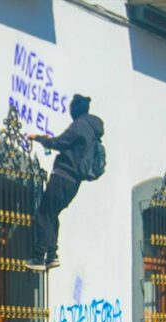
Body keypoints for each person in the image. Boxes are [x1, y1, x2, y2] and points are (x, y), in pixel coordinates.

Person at [24, 94, 104, 271]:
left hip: (62, 177)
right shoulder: (93, 131)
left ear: (75, 109)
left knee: (44, 213)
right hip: (73, 183)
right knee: (52, 214)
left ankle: (39, 257)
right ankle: (52, 256)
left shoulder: (80, 125)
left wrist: (39, 138)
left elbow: (59, 142)